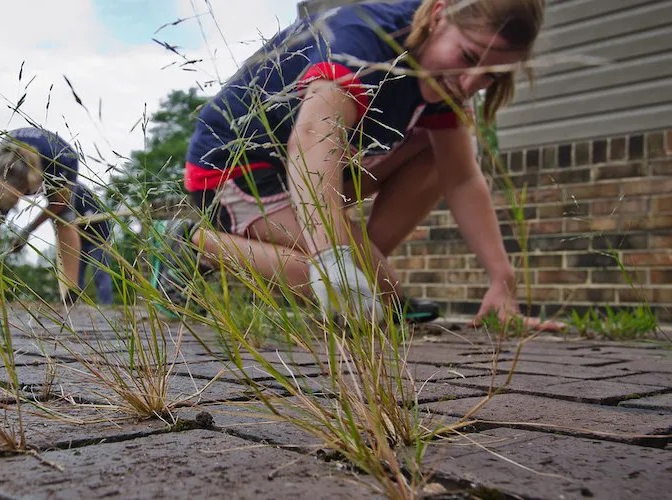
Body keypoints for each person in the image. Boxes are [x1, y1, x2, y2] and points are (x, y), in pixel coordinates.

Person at [155, 0, 559, 329]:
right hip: (235, 167)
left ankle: (364, 272)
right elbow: (312, 137)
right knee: (364, 288)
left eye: (489, 75)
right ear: (439, 14)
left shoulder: (442, 77)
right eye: (467, 56)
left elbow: (463, 178)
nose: (468, 84)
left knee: (438, 154)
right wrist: (333, 259)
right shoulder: (363, 40)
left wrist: (503, 281)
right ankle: (194, 246)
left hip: (310, 169)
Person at [0, 127, 85, 304]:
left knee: (65, 220)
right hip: (14, 163)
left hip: (55, 161)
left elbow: (59, 203)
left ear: (28, 187)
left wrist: (28, 230)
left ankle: (71, 292)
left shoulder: (59, 161)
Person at [9, 183, 114, 305]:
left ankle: (106, 305)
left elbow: (65, 209)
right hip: (79, 239)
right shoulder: (55, 192)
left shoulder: (76, 192)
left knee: (100, 272)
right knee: (75, 272)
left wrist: (29, 229)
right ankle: (74, 303)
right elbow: (57, 214)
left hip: (98, 236)